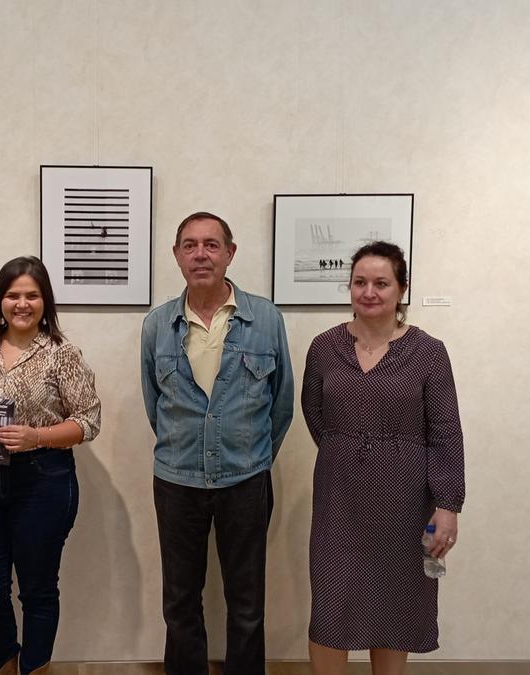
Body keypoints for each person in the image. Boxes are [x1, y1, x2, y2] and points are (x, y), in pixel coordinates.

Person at [140, 212, 294, 675]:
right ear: (176, 256)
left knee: (247, 602)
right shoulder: (157, 325)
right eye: (189, 245)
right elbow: (155, 405)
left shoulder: (265, 319)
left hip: (246, 480)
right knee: (180, 601)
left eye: (211, 244)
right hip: (176, 480)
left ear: (230, 252)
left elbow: (281, 405)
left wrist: (251, 455)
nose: (200, 254)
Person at [301, 241, 465, 675]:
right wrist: (350, 449)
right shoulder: (323, 347)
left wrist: (447, 506)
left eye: (381, 283)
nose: (368, 292)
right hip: (339, 496)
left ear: (401, 290)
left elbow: (445, 432)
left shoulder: (429, 352)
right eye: (359, 282)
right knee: (332, 601)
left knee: (395, 603)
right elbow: (314, 414)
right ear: (349, 288)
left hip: (405, 499)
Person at [0, 256, 101, 675]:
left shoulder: (61, 354)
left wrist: (37, 436)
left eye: (32, 295)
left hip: (43, 481)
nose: (22, 303)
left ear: (45, 301)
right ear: (0, 301)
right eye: (13, 295)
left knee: (36, 590)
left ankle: (36, 669)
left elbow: (89, 420)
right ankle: (6, 667)